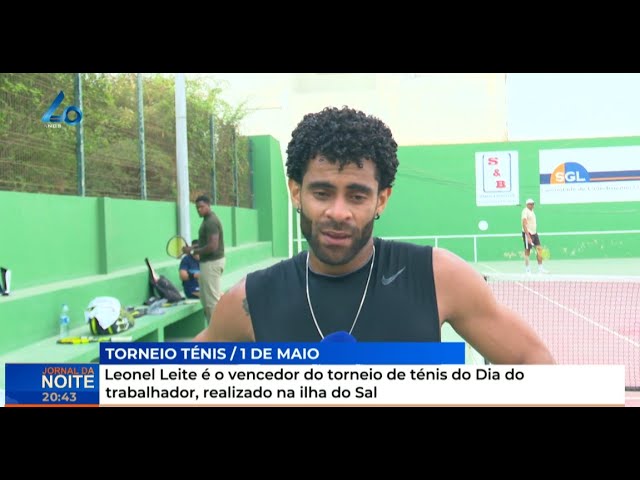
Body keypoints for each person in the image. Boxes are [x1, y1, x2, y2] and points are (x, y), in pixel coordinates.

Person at [194, 106, 555, 365]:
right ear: (295, 192)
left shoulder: (439, 277)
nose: (338, 212)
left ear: (381, 199)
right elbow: (173, 384)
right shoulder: (248, 301)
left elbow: (534, 363)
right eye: (321, 193)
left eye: (357, 195)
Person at [182, 195, 225, 323]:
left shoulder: (211, 222)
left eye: (201, 207)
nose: (199, 210)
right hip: (207, 264)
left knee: (212, 301)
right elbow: (205, 241)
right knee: (205, 300)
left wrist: (194, 251)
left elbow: (212, 246)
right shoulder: (207, 220)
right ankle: (212, 331)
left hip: (212, 264)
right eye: (197, 208)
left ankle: (217, 334)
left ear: (208, 206)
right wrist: (191, 248)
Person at [521, 198, 548, 274]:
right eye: (530, 204)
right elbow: (524, 224)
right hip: (528, 234)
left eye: (533, 203)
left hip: (534, 233)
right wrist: (528, 237)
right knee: (527, 251)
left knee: (539, 250)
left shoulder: (532, 211)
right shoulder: (525, 211)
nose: (532, 205)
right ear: (527, 204)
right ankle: (527, 270)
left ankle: (540, 269)